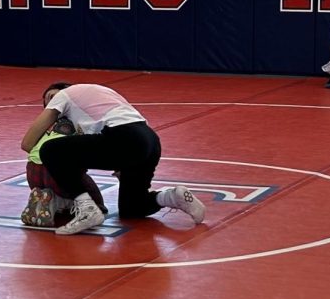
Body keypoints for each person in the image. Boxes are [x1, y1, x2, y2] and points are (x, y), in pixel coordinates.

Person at [20, 82, 205, 235]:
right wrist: (119, 162)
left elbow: (27, 143)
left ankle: (87, 209)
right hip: (149, 140)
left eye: (51, 98)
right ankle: (173, 196)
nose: (50, 102)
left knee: (50, 150)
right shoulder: (100, 92)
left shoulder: (65, 95)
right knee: (132, 208)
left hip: (123, 139)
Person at [20, 116, 109, 229]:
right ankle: (57, 201)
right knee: (96, 203)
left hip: (32, 174)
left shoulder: (47, 131)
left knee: (65, 175)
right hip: (54, 176)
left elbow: (26, 146)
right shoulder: (82, 130)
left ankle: (43, 197)